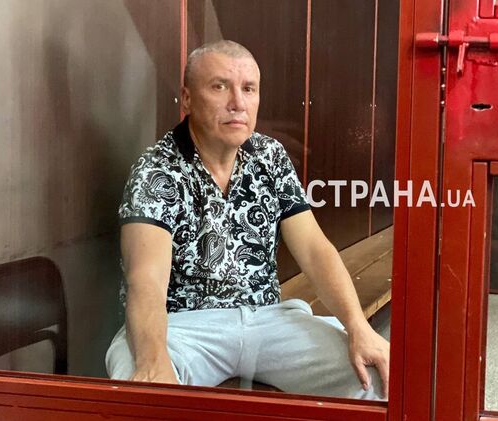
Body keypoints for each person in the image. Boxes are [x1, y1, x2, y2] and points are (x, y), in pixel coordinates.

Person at [104, 40, 388, 400]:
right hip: (185, 328)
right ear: (187, 98)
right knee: (138, 384)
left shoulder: (269, 156)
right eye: (219, 87)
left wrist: (358, 326)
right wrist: (152, 360)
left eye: (249, 89)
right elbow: (145, 278)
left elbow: (315, 250)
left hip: (267, 318)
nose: (237, 103)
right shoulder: (157, 170)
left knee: (376, 377)